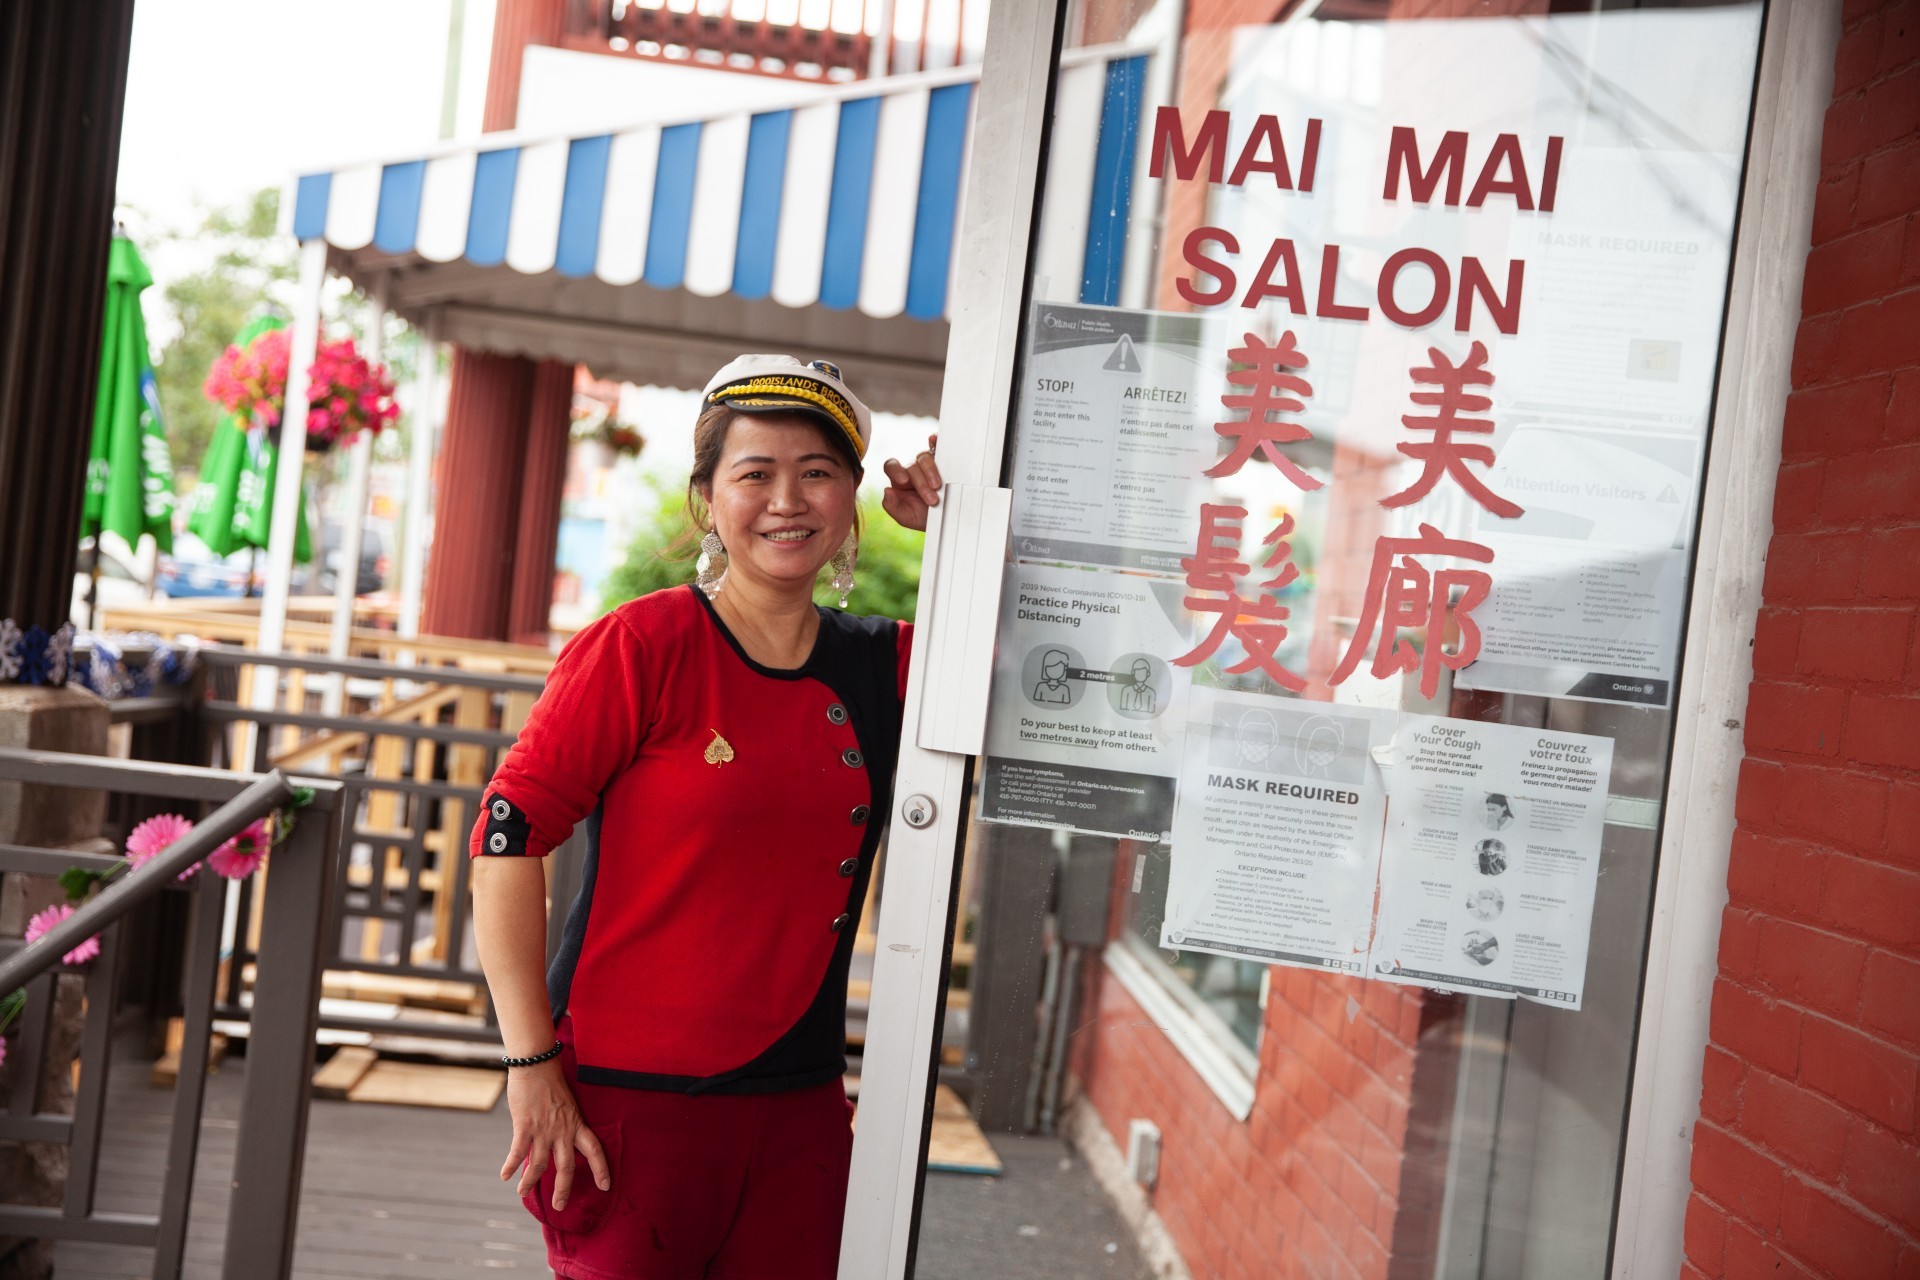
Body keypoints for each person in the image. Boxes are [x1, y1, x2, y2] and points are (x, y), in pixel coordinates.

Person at [468, 355, 942, 1280]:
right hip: (625, 1114)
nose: (787, 499)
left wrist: (954, 540)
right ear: (708, 500)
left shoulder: (887, 666)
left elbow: (1053, 677)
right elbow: (506, 837)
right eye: (754, 473)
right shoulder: (643, 645)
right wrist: (530, 1066)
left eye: (818, 472)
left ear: (851, 499)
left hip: (802, 1114)